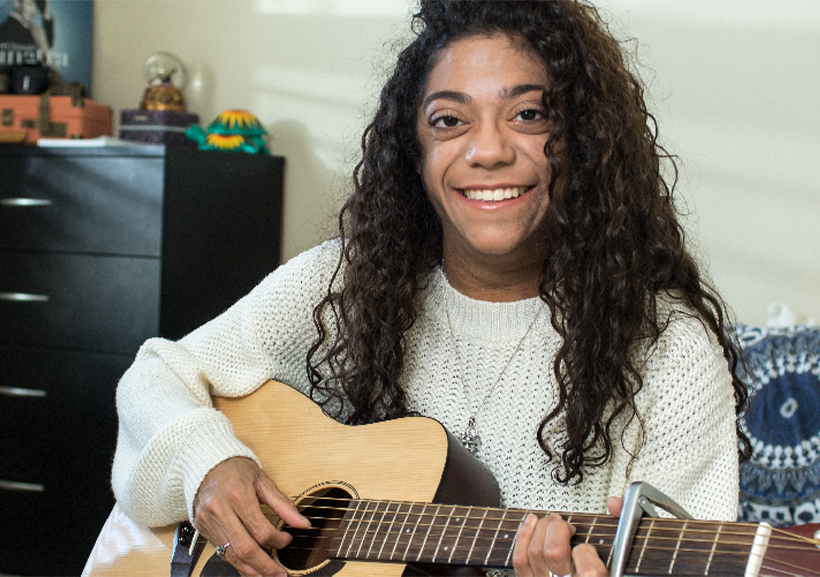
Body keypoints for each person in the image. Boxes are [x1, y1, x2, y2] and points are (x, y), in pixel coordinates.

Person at [111, 1, 750, 576]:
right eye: (449, 121)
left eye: (529, 114)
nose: (488, 150)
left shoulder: (670, 351)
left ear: (583, 142)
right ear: (413, 152)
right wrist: (208, 467)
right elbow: (154, 373)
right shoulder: (345, 284)